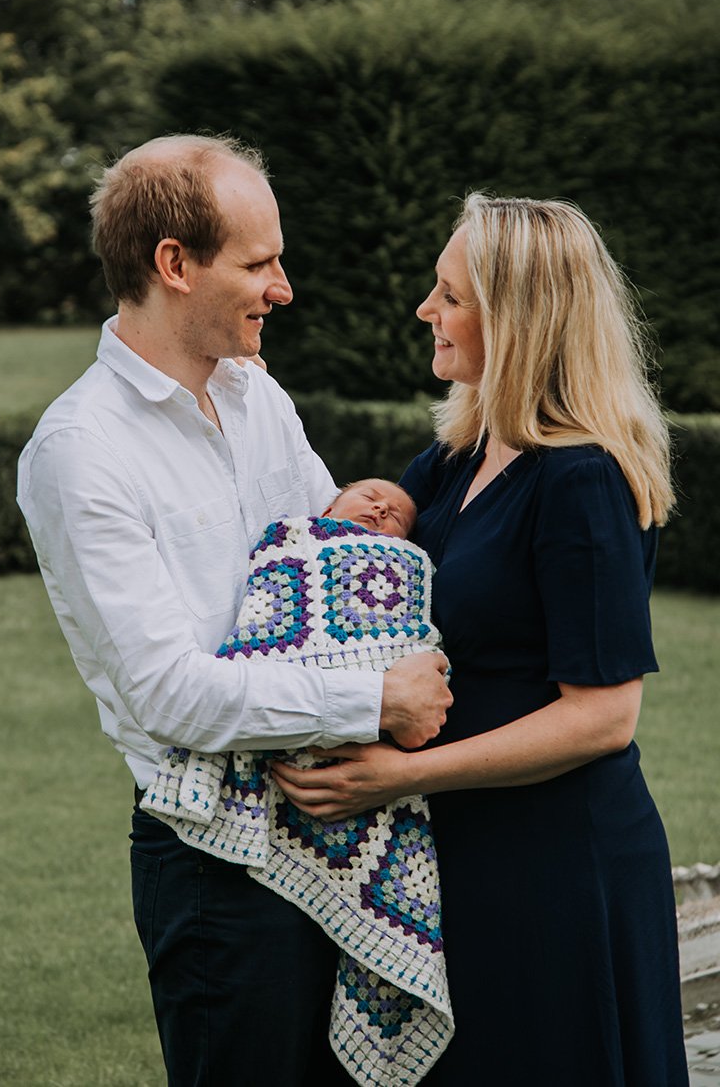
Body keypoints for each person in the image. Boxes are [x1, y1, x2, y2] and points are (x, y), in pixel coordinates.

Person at [16, 134, 451, 1087]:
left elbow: (333, 573)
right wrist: (375, 701)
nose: (282, 287)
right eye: (258, 263)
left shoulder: (257, 395)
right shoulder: (81, 452)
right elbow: (171, 695)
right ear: (173, 265)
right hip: (217, 869)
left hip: (345, 827)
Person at [273, 192, 689, 1087]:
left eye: (448, 294)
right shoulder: (459, 458)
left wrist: (401, 775)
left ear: (520, 317)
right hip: (462, 849)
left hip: (555, 861)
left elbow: (602, 718)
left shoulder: (580, 479)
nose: (426, 310)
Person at [141, 477, 453, 1086]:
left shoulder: (401, 567)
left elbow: (413, 642)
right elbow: (242, 648)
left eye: (400, 516)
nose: (385, 508)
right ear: (329, 502)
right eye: (370, 494)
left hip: (363, 790)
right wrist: (370, 698)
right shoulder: (294, 543)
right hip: (226, 845)